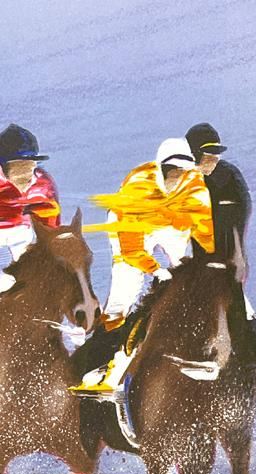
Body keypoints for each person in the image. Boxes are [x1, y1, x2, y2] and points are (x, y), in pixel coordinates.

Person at [71, 137, 214, 395]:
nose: (177, 177)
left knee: (187, 280)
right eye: (172, 171)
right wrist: (156, 270)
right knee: (124, 296)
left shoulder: (195, 186)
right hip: (130, 225)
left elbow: (206, 235)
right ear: (161, 168)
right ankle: (96, 364)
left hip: (169, 223)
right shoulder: (137, 187)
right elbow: (131, 248)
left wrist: (204, 266)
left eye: (183, 171)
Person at [185, 122, 256, 364]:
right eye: (208, 154)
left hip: (227, 251)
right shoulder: (185, 179)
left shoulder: (228, 177)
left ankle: (253, 351)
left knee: (234, 299)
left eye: (216, 154)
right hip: (199, 253)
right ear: (194, 154)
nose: (213, 159)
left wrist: (237, 254)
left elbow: (240, 214)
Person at [0, 124, 60, 292]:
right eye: (17, 166)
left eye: (29, 165)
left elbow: (50, 222)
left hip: (20, 232)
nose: (24, 173)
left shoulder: (42, 184)